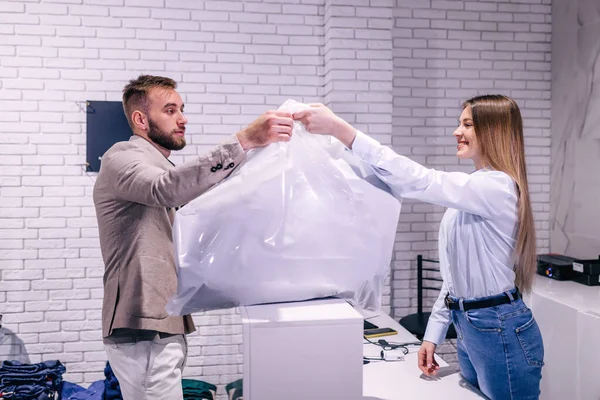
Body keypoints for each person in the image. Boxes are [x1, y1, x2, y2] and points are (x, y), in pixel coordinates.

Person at [293, 95, 544, 399]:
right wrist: (434, 333)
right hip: (471, 325)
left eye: (466, 124)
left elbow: (420, 181)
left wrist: (343, 131)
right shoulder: (475, 189)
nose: (456, 131)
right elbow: (456, 278)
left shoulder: (496, 187)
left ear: (492, 131)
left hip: (499, 327)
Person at [93, 75, 293, 400]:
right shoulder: (121, 157)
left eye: (182, 109)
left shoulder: (160, 167)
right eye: (170, 110)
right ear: (141, 119)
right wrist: (243, 141)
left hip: (159, 324)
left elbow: (194, 204)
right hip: (143, 327)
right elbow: (166, 187)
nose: (183, 119)